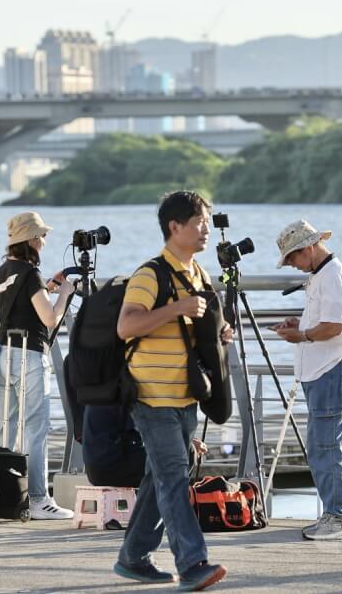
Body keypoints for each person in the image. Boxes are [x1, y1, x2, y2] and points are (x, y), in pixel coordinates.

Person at [113, 191, 232, 592]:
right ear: (174, 227)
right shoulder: (150, 274)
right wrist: (176, 309)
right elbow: (127, 327)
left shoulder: (199, 274)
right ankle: (193, 562)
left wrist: (221, 333)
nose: (206, 231)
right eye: (199, 223)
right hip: (152, 395)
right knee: (173, 478)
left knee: (159, 478)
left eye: (207, 223)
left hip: (186, 395)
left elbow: (199, 329)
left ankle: (133, 558)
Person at [271, 219, 342, 540]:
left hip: (329, 371)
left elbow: (333, 327)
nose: (293, 266)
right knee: (338, 443)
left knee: (325, 446)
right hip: (328, 371)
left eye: (293, 258)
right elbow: (328, 321)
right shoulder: (324, 275)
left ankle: (339, 516)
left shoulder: (333, 277)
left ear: (307, 248)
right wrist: (301, 323)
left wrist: (302, 335)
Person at [0, 212, 76, 520]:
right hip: (29, 355)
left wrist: (48, 286)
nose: (44, 240)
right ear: (29, 240)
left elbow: (22, 306)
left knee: (8, 425)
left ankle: (1, 493)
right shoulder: (30, 274)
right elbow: (50, 319)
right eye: (41, 235)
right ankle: (39, 499)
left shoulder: (4, 271)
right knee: (37, 429)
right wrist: (65, 294)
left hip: (4, 354)